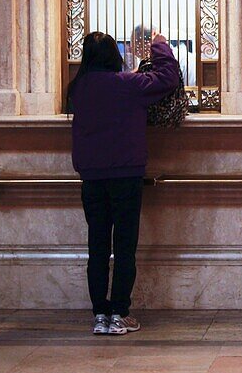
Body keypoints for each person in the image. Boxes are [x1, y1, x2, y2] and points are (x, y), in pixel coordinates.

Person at [68, 30, 181, 336]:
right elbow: (167, 78)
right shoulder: (127, 86)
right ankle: (120, 313)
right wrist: (159, 43)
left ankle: (100, 316)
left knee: (98, 247)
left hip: (91, 178)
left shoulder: (77, 89)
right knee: (125, 246)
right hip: (125, 176)